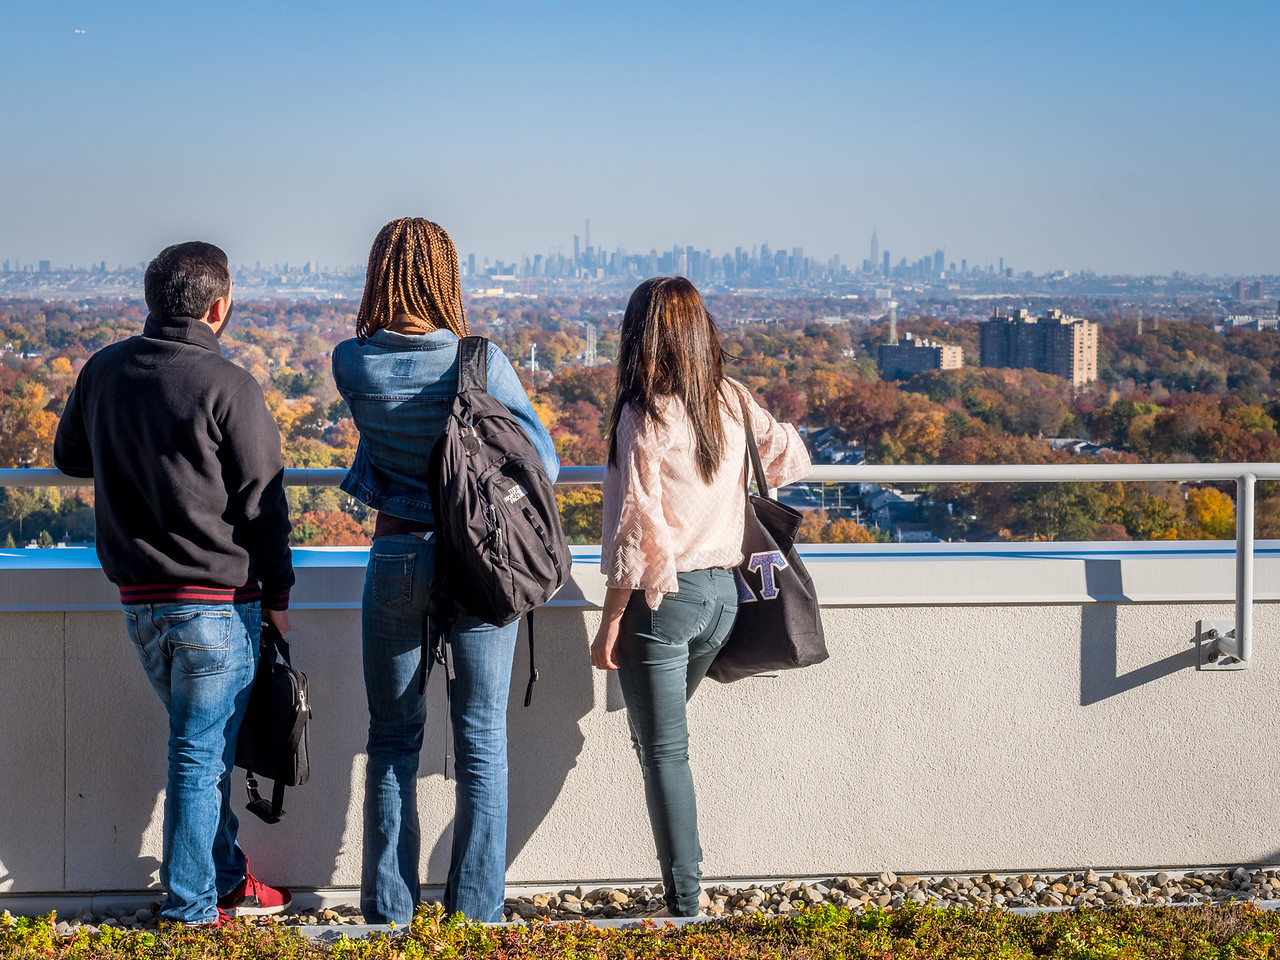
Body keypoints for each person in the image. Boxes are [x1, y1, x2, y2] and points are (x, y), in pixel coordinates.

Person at [53, 241, 295, 926]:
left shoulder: (103, 371)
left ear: (150, 300)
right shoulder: (229, 386)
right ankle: (191, 908)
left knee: (202, 748)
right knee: (199, 754)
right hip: (216, 604)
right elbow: (264, 506)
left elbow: (70, 456)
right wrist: (278, 598)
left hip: (141, 602)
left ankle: (223, 879)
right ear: (218, 306)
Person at [332, 218, 559, 925]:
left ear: (379, 273)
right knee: (481, 738)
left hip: (396, 552)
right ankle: (476, 912)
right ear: (444, 275)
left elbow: (376, 451)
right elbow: (540, 464)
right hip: (479, 561)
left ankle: (390, 911)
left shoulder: (351, 360)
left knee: (392, 736)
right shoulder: (479, 362)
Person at [590, 276, 810, 917]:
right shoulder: (731, 399)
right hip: (725, 598)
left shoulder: (645, 413)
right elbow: (792, 455)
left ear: (640, 335)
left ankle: (684, 901)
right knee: (658, 740)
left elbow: (637, 532)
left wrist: (610, 623)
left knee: (662, 750)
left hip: (666, 601)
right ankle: (681, 890)